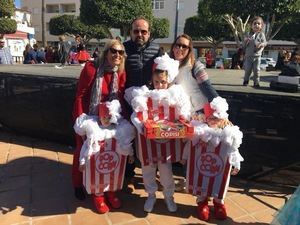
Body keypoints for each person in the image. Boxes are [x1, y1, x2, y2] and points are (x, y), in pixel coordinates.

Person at [126, 53, 191, 213]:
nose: (160, 85)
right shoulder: (145, 95)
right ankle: (151, 195)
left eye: (163, 82)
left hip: (166, 144)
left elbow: (182, 114)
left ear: (168, 81)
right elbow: (137, 115)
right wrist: (141, 123)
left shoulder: (174, 96)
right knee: (147, 171)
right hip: (148, 144)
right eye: (157, 82)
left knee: (166, 172)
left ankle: (169, 196)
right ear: (152, 81)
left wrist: (183, 118)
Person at [72, 39, 129, 213]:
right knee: (83, 149)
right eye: (113, 51)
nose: (117, 55)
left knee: (109, 153)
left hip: (110, 119)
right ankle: (78, 184)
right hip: (89, 117)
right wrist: (81, 121)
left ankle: (108, 190)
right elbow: (80, 96)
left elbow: (119, 97)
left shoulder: (120, 72)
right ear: (106, 52)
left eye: (120, 52)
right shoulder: (91, 69)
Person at [182, 96, 243, 221]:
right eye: (210, 118)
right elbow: (190, 145)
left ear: (222, 118)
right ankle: (202, 201)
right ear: (206, 118)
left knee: (219, 183)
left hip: (219, 168)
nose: (213, 120)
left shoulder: (228, 134)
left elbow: (234, 149)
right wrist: (184, 157)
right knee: (201, 182)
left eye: (216, 118)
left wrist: (236, 163)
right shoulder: (200, 132)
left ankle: (218, 202)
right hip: (202, 166)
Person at [73, 99, 135, 214]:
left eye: (109, 118)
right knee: (98, 179)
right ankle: (98, 196)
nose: (106, 120)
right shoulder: (94, 132)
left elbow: (125, 143)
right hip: (97, 164)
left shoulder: (117, 130)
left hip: (113, 164)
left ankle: (111, 193)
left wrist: (130, 154)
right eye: (104, 117)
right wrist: (82, 162)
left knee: (112, 177)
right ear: (100, 116)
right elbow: (86, 149)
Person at [123, 16, 162, 183]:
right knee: (129, 137)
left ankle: (155, 173)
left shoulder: (157, 49)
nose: (140, 34)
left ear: (149, 33)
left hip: (151, 103)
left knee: (153, 139)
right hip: (129, 101)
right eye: (136, 31)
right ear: (131, 32)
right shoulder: (123, 49)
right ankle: (128, 173)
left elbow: (164, 74)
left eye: (143, 31)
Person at [242, 16, 267, 87]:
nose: (257, 25)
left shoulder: (261, 35)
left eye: (259, 24)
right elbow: (244, 45)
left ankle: (256, 82)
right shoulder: (248, 34)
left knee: (256, 70)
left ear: (261, 26)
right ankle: (246, 80)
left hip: (257, 56)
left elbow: (265, 43)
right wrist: (246, 41)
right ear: (251, 25)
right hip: (248, 56)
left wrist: (261, 44)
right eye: (255, 23)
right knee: (247, 70)